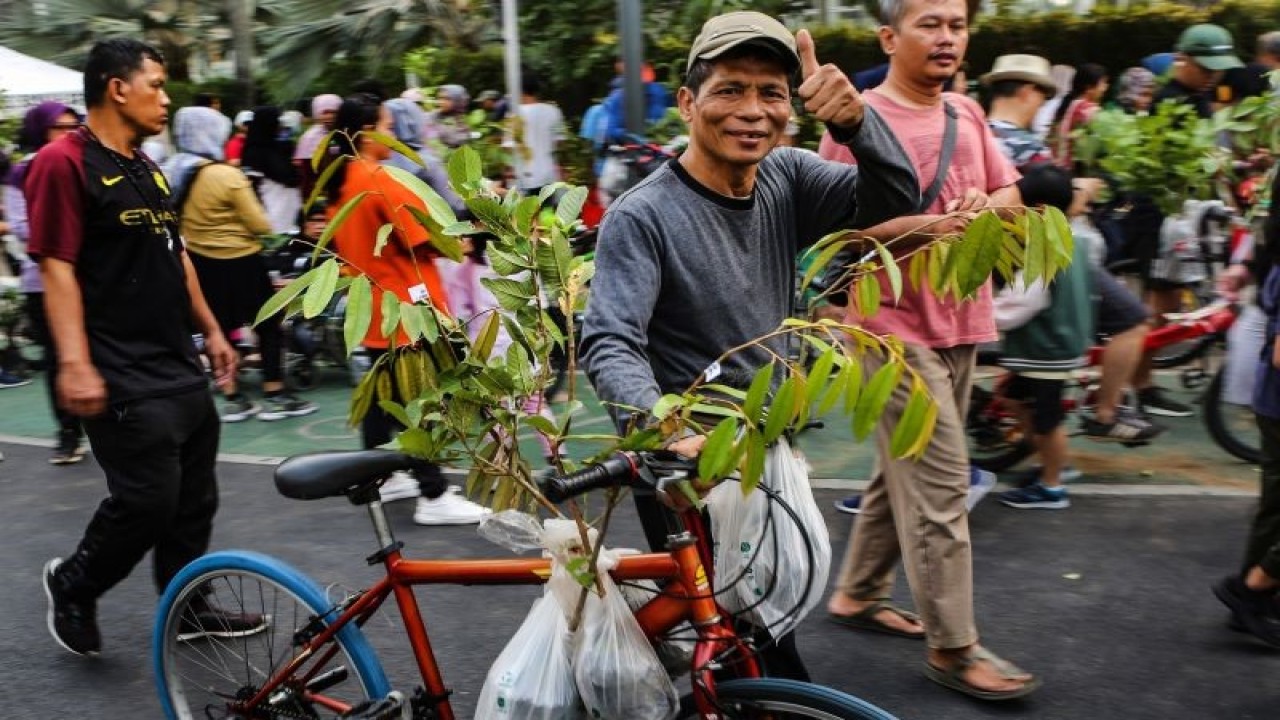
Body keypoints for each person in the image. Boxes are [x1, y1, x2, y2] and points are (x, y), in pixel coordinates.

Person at [580, 10, 918, 680]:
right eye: (730, 90)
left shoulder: (786, 176)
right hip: (691, 469)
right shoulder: (643, 216)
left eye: (772, 93)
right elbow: (611, 341)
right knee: (755, 652)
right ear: (687, 103)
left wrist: (855, 125)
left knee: (746, 636)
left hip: (764, 453)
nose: (753, 111)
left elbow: (893, 198)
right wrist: (666, 427)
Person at [817, 0, 1039, 700]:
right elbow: (839, 236)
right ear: (889, 37)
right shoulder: (855, 121)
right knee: (943, 486)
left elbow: (1010, 192)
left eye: (957, 25)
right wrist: (933, 225)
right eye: (930, 24)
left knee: (901, 470)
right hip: (888, 330)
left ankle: (856, 592)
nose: (947, 38)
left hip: (962, 320)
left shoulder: (965, 112)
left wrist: (984, 210)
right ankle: (954, 646)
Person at [28, 38, 264, 656]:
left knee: (194, 501)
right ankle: (75, 583)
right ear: (116, 87)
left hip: (175, 361)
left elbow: (175, 252)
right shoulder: (62, 162)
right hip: (115, 366)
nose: (165, 97)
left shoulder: (145, 164)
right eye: (155, 84)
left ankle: (187, 607)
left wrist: (211, 329)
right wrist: (75, 363)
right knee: (148, 501)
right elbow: (56, 266)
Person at [325, 93, 490, 526]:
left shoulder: (343, 181)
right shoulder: (381, 179)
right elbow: (424, 239)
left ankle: (384, 474)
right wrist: (470, 234)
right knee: (419, 400)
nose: (394, 134)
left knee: (384, 399)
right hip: (406, 308)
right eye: (387, 126)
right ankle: (433, 494)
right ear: (367, 132)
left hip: (374, 307)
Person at [984, 54, 1163, 447]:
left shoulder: (975, 134)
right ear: (1030, 91)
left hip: (1001, 257)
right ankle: (1105, 412)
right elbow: (1053, 203)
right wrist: (1085, 190)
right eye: (1042, 93)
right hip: (1042, 254)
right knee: (1133, 320)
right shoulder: (1025, 147)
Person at [162, 105, 317, 424]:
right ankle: (274, 393)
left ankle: (233, 396)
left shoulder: (172, 170)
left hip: (200, 262)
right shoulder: (226, 175)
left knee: (215, 329)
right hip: (242, 261)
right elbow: (260, 223)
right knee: (268, 326)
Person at [992, 164, 1095, 509]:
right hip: (1059, 342)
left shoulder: (1042, 243)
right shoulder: (1074, 235)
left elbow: (1025, 300)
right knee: (1014, 398)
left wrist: (985, 316)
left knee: (1047, 420)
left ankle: (1053, 484)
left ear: (1035, 209)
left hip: (1046, 349)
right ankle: (1053, 463)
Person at [1212, 166, 1280, 648]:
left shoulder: (1271, 248)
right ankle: (1252, 589)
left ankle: (1253, 602)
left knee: (1275, 507)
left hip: (1271, 401)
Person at [4, 101, 87, 463]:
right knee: (58, 356)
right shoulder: (22, 173)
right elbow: (23, 227)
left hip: (95, 278)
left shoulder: (89, 163)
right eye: (59, 127)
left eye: (74, 125)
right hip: (45, 280)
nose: (69, 133)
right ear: (41, 130)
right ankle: (68, 431)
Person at [1155, 24, 1244, 120]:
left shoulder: (1200, 94)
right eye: (1205, 69)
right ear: (1181, 59)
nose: (1213, 76)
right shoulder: (1168, 103)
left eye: (1219, 68)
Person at [241, 106, 301, 234]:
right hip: (271, 217)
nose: (280, 126)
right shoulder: (256, 152)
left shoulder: (275, 148)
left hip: (287, 214)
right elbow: (252, 190)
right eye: (277, 122)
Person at [1049, 62, 1108, 171]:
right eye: (1103, 83)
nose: (1105, 88)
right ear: (1089, 87)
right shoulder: (1088, 109)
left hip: (1055, 167)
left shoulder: (1065, 106)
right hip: (1070, 172)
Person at [514, 73, 565, 195]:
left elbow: (508, 148)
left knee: (528, 213)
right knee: (548, 212)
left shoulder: (514, 113)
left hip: (524, 176)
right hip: (548, 174)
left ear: (519, 90)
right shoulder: (553, 111)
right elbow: (560, 143)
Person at [601, 60, 671, 144]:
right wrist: (627, 136)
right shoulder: (618, 98)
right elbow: (612, 130)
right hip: (624, 146)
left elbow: (661, 118)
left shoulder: (657, 91)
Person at [294, 93, 342, 202]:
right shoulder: (309, 138)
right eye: (325, 112)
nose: (330, 116)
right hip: (317, 194)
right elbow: (305, 173)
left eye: (334, 112)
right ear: (317, 113)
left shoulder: (344, 134)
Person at [424, 85, 473, 150]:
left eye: (447, 99)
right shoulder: (431, 117)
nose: (441, 102)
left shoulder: (464, 122)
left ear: (458, 100)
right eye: (440, 98)